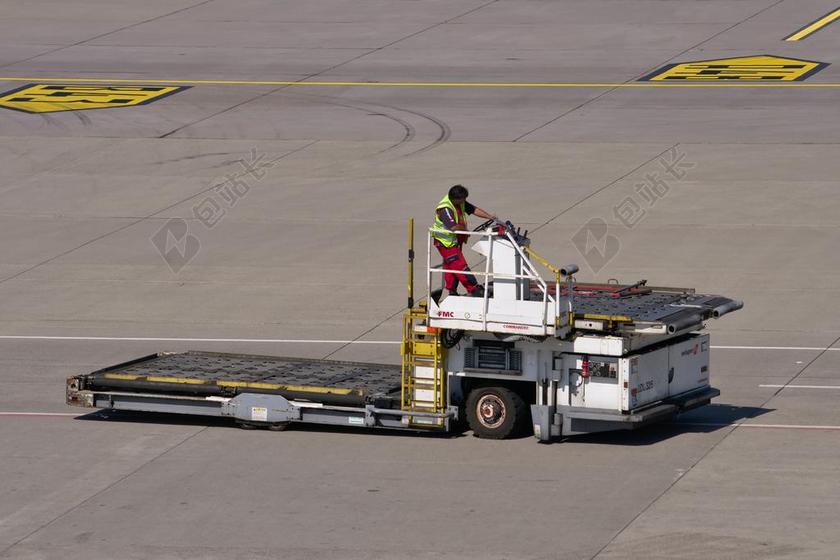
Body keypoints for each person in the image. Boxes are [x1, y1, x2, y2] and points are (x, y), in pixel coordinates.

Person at [431, 185, 497, 297]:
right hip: (445, 242)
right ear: (455, 199)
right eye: (463, 199)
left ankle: (452, 291)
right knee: (459, 265)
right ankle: (474, 289)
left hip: (454, 241)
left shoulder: (459, 202)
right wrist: (466, 231)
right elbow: (453, 227)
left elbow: (474, 209)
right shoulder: (445, 209)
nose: (464, 201)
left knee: (451, 266)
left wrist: (490, 217)